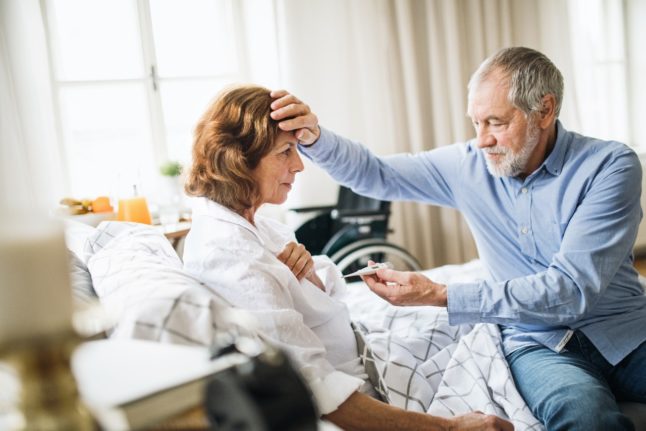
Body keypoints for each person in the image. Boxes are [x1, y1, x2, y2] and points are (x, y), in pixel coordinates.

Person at [269, 46, 646, 430]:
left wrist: (439, 293)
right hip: (537, 343)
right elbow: (375, 174)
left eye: (496, 123)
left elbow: (570, 290)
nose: (481, 140)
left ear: (545, 110)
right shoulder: (469, 165)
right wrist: (313, 137)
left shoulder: (609, 166)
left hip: (625, 330)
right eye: (476, 123)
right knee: (588, 417)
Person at [182, 84, 513, 431]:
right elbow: (316, 390)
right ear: (238, 159)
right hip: (358, 385)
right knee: (492, 344)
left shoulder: (258, 226)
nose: (299, 165)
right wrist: (451, 428)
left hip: (363, 348)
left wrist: (310, 273)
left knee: (484, 325)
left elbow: (317, 301)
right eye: (285, 152)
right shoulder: (230, 255)